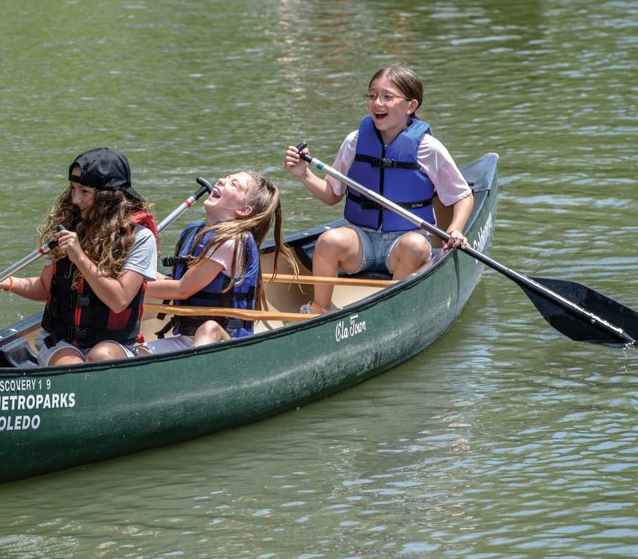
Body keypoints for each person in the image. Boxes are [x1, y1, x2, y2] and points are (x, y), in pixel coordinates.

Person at [285, 65, 474, 315]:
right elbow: (332, 194)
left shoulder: (429, 148)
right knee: (328, 240)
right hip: (361, 239)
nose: (377, 103)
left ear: (410, 105)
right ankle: (319, 308)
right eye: (372, 95)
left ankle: (390, 311)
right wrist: (304, 174)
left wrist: (455, 229)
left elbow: (462, 195)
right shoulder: (354, 142)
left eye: (387, 97)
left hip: (404, 243)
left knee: (416, 246)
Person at [0, 147, 158, 365]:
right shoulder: (67, 230)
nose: (75, 199)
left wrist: (79, 256)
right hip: (63, 342)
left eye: (84, 191)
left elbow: (119, 301)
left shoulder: (140, 238)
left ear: (110, 197)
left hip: (115, 344)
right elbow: (44, 288)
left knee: (100, 356)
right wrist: (5, 281)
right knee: (69, 366)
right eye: (73, 189)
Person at [143, 170, 295, 353]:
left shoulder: (229, 241)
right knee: (128, 354)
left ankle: (193, 374)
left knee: (209, 328)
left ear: (244, 210)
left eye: (234, 184)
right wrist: (129, 275)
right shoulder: (196, 231)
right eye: (227, 177)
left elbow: (182, 289)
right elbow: (174, 283)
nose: (222, 180)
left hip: (225, 343)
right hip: (187, 339)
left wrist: (132, 288)